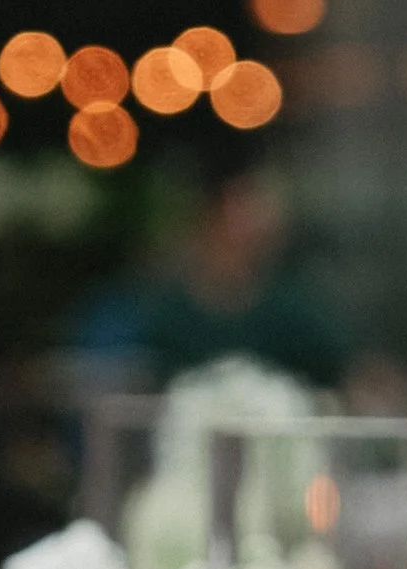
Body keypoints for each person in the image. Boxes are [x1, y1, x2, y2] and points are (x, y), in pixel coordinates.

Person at [72, 147, 350, 394]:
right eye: (254, 205)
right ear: (217, 213)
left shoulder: (294, 305)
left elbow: (352, 374)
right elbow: (111, 381)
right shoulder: (158, 306)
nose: (272, 220)